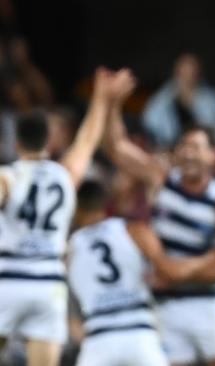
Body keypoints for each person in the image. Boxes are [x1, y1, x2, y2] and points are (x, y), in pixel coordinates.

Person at [104, 96, 215, 366]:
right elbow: (116, 148)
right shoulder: (160, 179)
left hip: (211, 302)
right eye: (183, 145)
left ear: (213, 155)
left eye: (196, 147)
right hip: (166, 307)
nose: (188, 153)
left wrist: (177, 272)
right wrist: (111, 104)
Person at [0, 68, 119, 366]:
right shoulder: (64, 175)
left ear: (16, 144)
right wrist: (101, 98)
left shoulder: (7, 177)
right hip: (48, 285)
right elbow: (88, 139)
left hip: (8, 279)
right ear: (49, 144)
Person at [68, 181, 170, 366]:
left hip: (99, 338)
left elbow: (70, 314)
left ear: (76, 208)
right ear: (106, 204)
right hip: (141, 334)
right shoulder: (134, 230)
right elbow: (166, 274)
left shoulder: (70, 248)